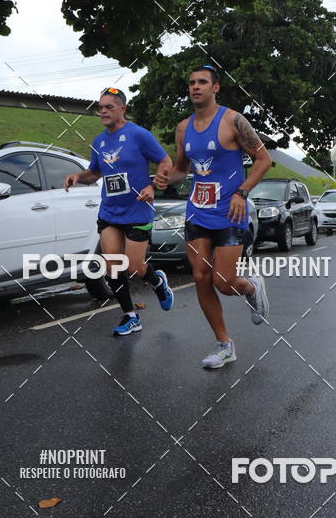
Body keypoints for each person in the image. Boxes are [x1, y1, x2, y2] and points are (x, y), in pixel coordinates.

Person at [156, 65, 272, 369]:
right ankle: (225, 344)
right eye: (192, 82)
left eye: (202, 82)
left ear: (215, 87)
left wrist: (242, 192)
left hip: (230, 210)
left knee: (224, 282)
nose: (196, 87)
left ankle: (251, 287)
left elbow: (264, 159)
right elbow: (183, 169)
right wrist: (166, 179)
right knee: (200, 277)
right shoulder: (183, 128)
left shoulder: (233, 121)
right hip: (197, 210)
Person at [64, 87, 174, 336]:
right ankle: (131, 316)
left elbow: (165, 161)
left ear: (122, 109)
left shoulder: (139, 135)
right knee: (113, 266)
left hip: (137, 210)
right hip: (110, 212)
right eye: (100, 107)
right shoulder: (99, 141)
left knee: (134, 266)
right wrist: (77, 177)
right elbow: (94, 173)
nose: (103, 111)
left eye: (108, 107)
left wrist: (153, 185)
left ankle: (158, 282)